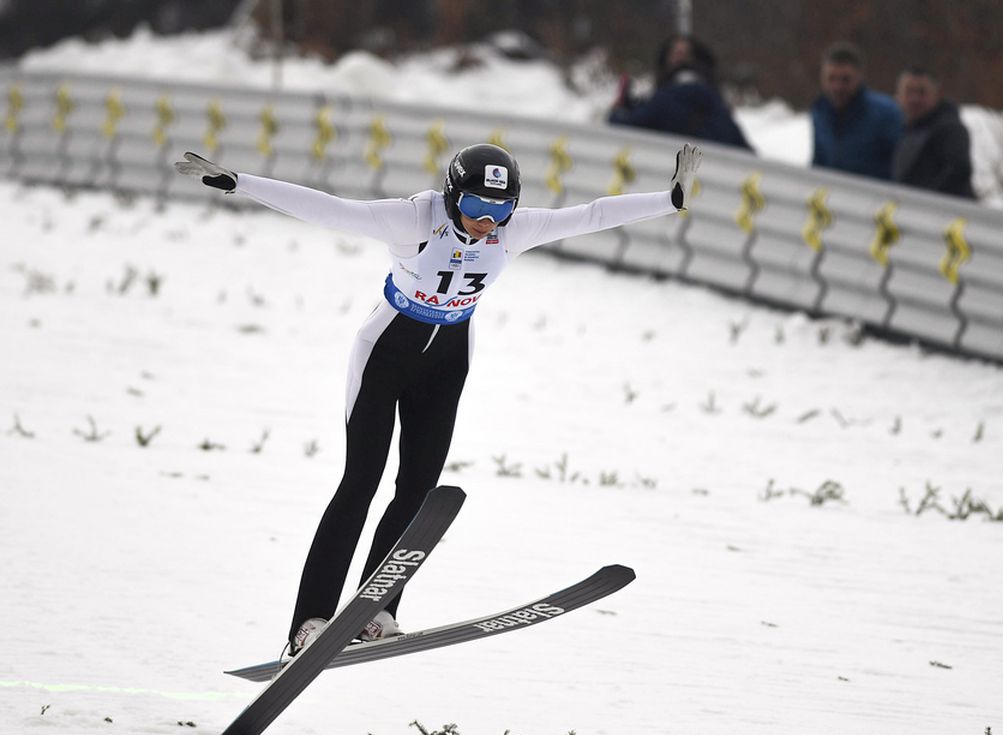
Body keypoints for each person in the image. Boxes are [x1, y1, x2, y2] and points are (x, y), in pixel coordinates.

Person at [175, 142, 702, 654]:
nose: (486, 222)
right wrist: (240, 183)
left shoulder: (511, 231)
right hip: (385, 353)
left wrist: (668, 199)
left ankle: (377, 608)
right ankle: (309, 622)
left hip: (447, 360)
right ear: (452, 197)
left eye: (500, 210)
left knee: (419, 491)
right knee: (361, 482)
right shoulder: (414, 220)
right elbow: (329, 209)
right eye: (475, 207)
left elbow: (588, 215)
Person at [609, 34, 752, 151]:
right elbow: (745, 151)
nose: (678, 56)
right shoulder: (717, 105)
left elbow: (627, 125)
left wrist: (618, 110)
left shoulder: (666, 99)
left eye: (682, 53)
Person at [810, 42, 902, 181]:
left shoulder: (885, 113)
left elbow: (901, 166)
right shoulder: (820, 111)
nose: (837, 87)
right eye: (831, 79)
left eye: (845, 80)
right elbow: (819, 162)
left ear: (859, 77)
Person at [891, 67, 977, 199]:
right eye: (908, 92)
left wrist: (920, 200)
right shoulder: (900, 129)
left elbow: (958, 174)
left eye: (922, 92)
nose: (914, 99)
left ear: (937, 95)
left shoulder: (951, 130)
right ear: (898, 96)